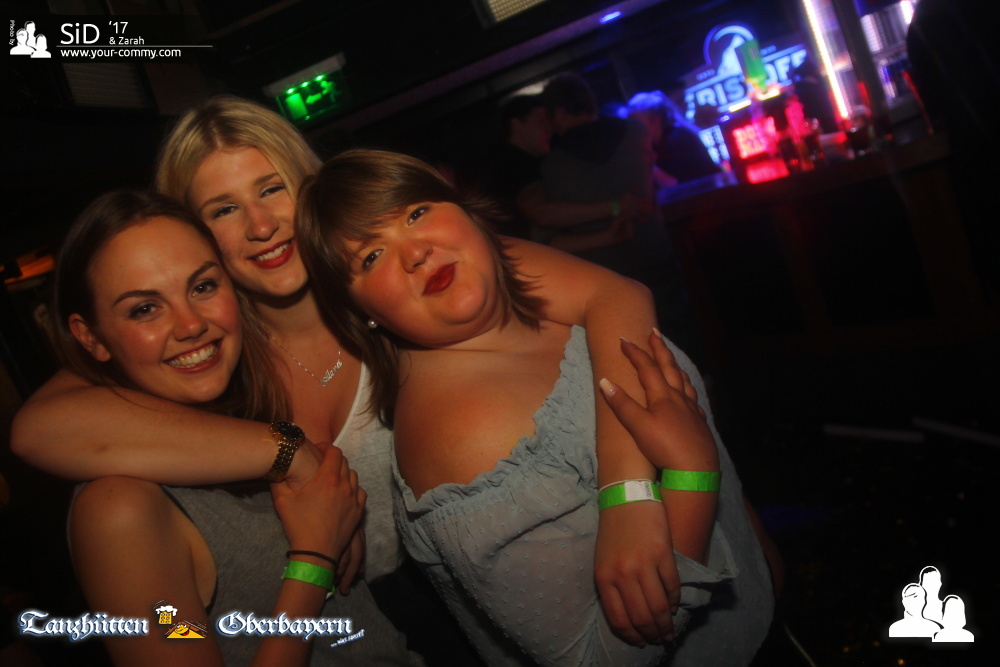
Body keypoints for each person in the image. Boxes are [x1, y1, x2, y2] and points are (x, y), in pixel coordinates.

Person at [11, 95, 694, 652]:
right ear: (191, 235)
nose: (260, 225)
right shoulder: (206, 351)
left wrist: (629, 492)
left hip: (494, 590)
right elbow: (39, 427)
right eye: (223, 210)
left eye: (272, 189)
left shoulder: (399, 283)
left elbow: (616, 297)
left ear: (309, 186)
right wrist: (291, 452)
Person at [296, 148, 774, 665]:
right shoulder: (463, 438)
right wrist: (691, 476)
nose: (414, 252)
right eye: (370, 257)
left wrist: (637, 496)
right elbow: (598, 659)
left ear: (464, 209)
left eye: (416, 213)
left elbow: (622, 297)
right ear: (359, 312)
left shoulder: (499, 273)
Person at [55, 189, 414, 665]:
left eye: (203, 287)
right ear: (91, 337)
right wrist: (313, 561)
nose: (190, 325)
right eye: (144, 309)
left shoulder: (247, 426)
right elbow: (175, 633)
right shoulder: (118, 511)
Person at [626, 90, 720, 186]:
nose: (633, 129)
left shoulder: (679, 140)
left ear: (656, 120)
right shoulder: (657, 146)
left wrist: (648, 165)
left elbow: (679, 187)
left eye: (636, 123)